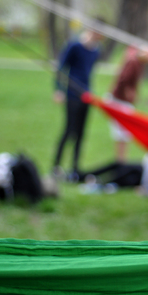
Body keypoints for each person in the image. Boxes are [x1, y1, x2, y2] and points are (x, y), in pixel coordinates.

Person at [52, 19, 105, 181]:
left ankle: (75, 168)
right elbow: (61, 67)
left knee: (81, 133)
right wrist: (58, 89)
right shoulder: (75, 46)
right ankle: (56, 167)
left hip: (86, 96)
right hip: (72, 95)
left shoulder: (96, 50)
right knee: (69, 131)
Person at [106, 46, 148, 162]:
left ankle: (122, 159)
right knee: (121, 132)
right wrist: (128, 91)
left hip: (124, 101)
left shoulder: (139, 63)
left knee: (125, 133)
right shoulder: (133, 61)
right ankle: (120, 160)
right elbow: (123, 78)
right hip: (119, 101)